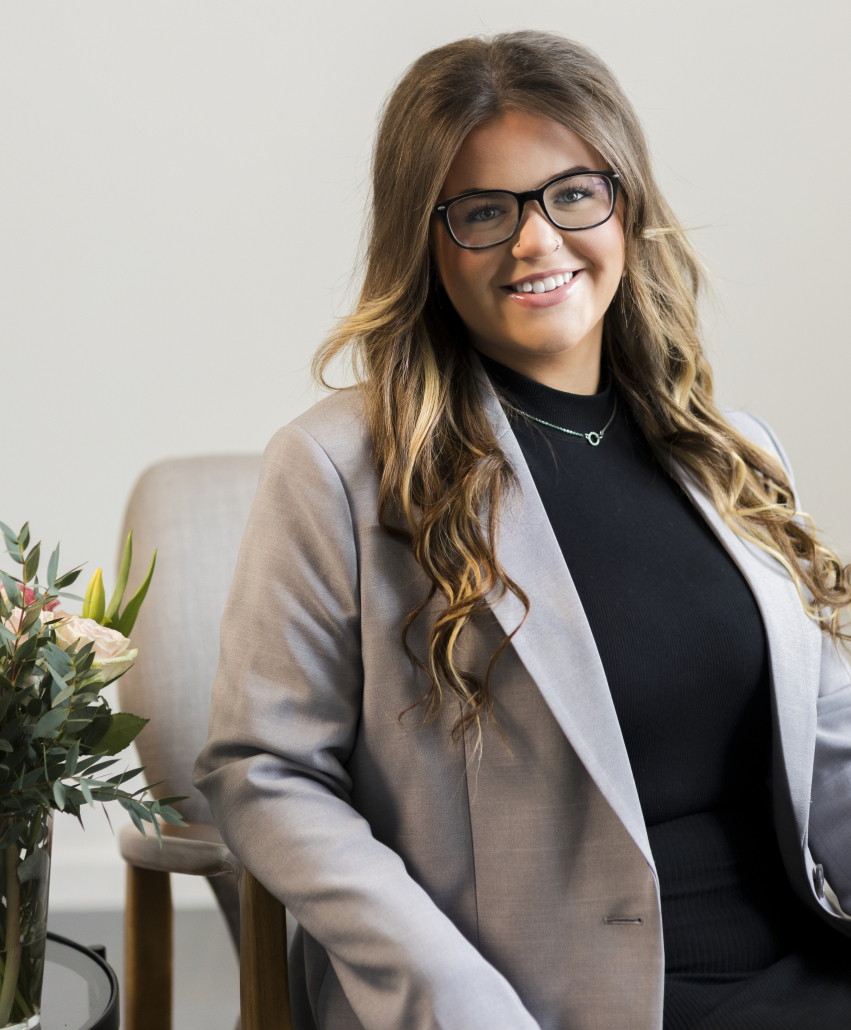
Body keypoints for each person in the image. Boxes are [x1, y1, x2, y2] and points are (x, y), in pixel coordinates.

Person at [194, 30, 851, 1030]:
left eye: (571, 193)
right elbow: (264, 773)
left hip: (799, 965)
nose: (535, 241)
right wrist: (452, 999)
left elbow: (828, 747)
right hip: (534, 1001)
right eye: (484, 213)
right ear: (425, 239)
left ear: (623, 205)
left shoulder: (733, 450)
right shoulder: (337, 467)